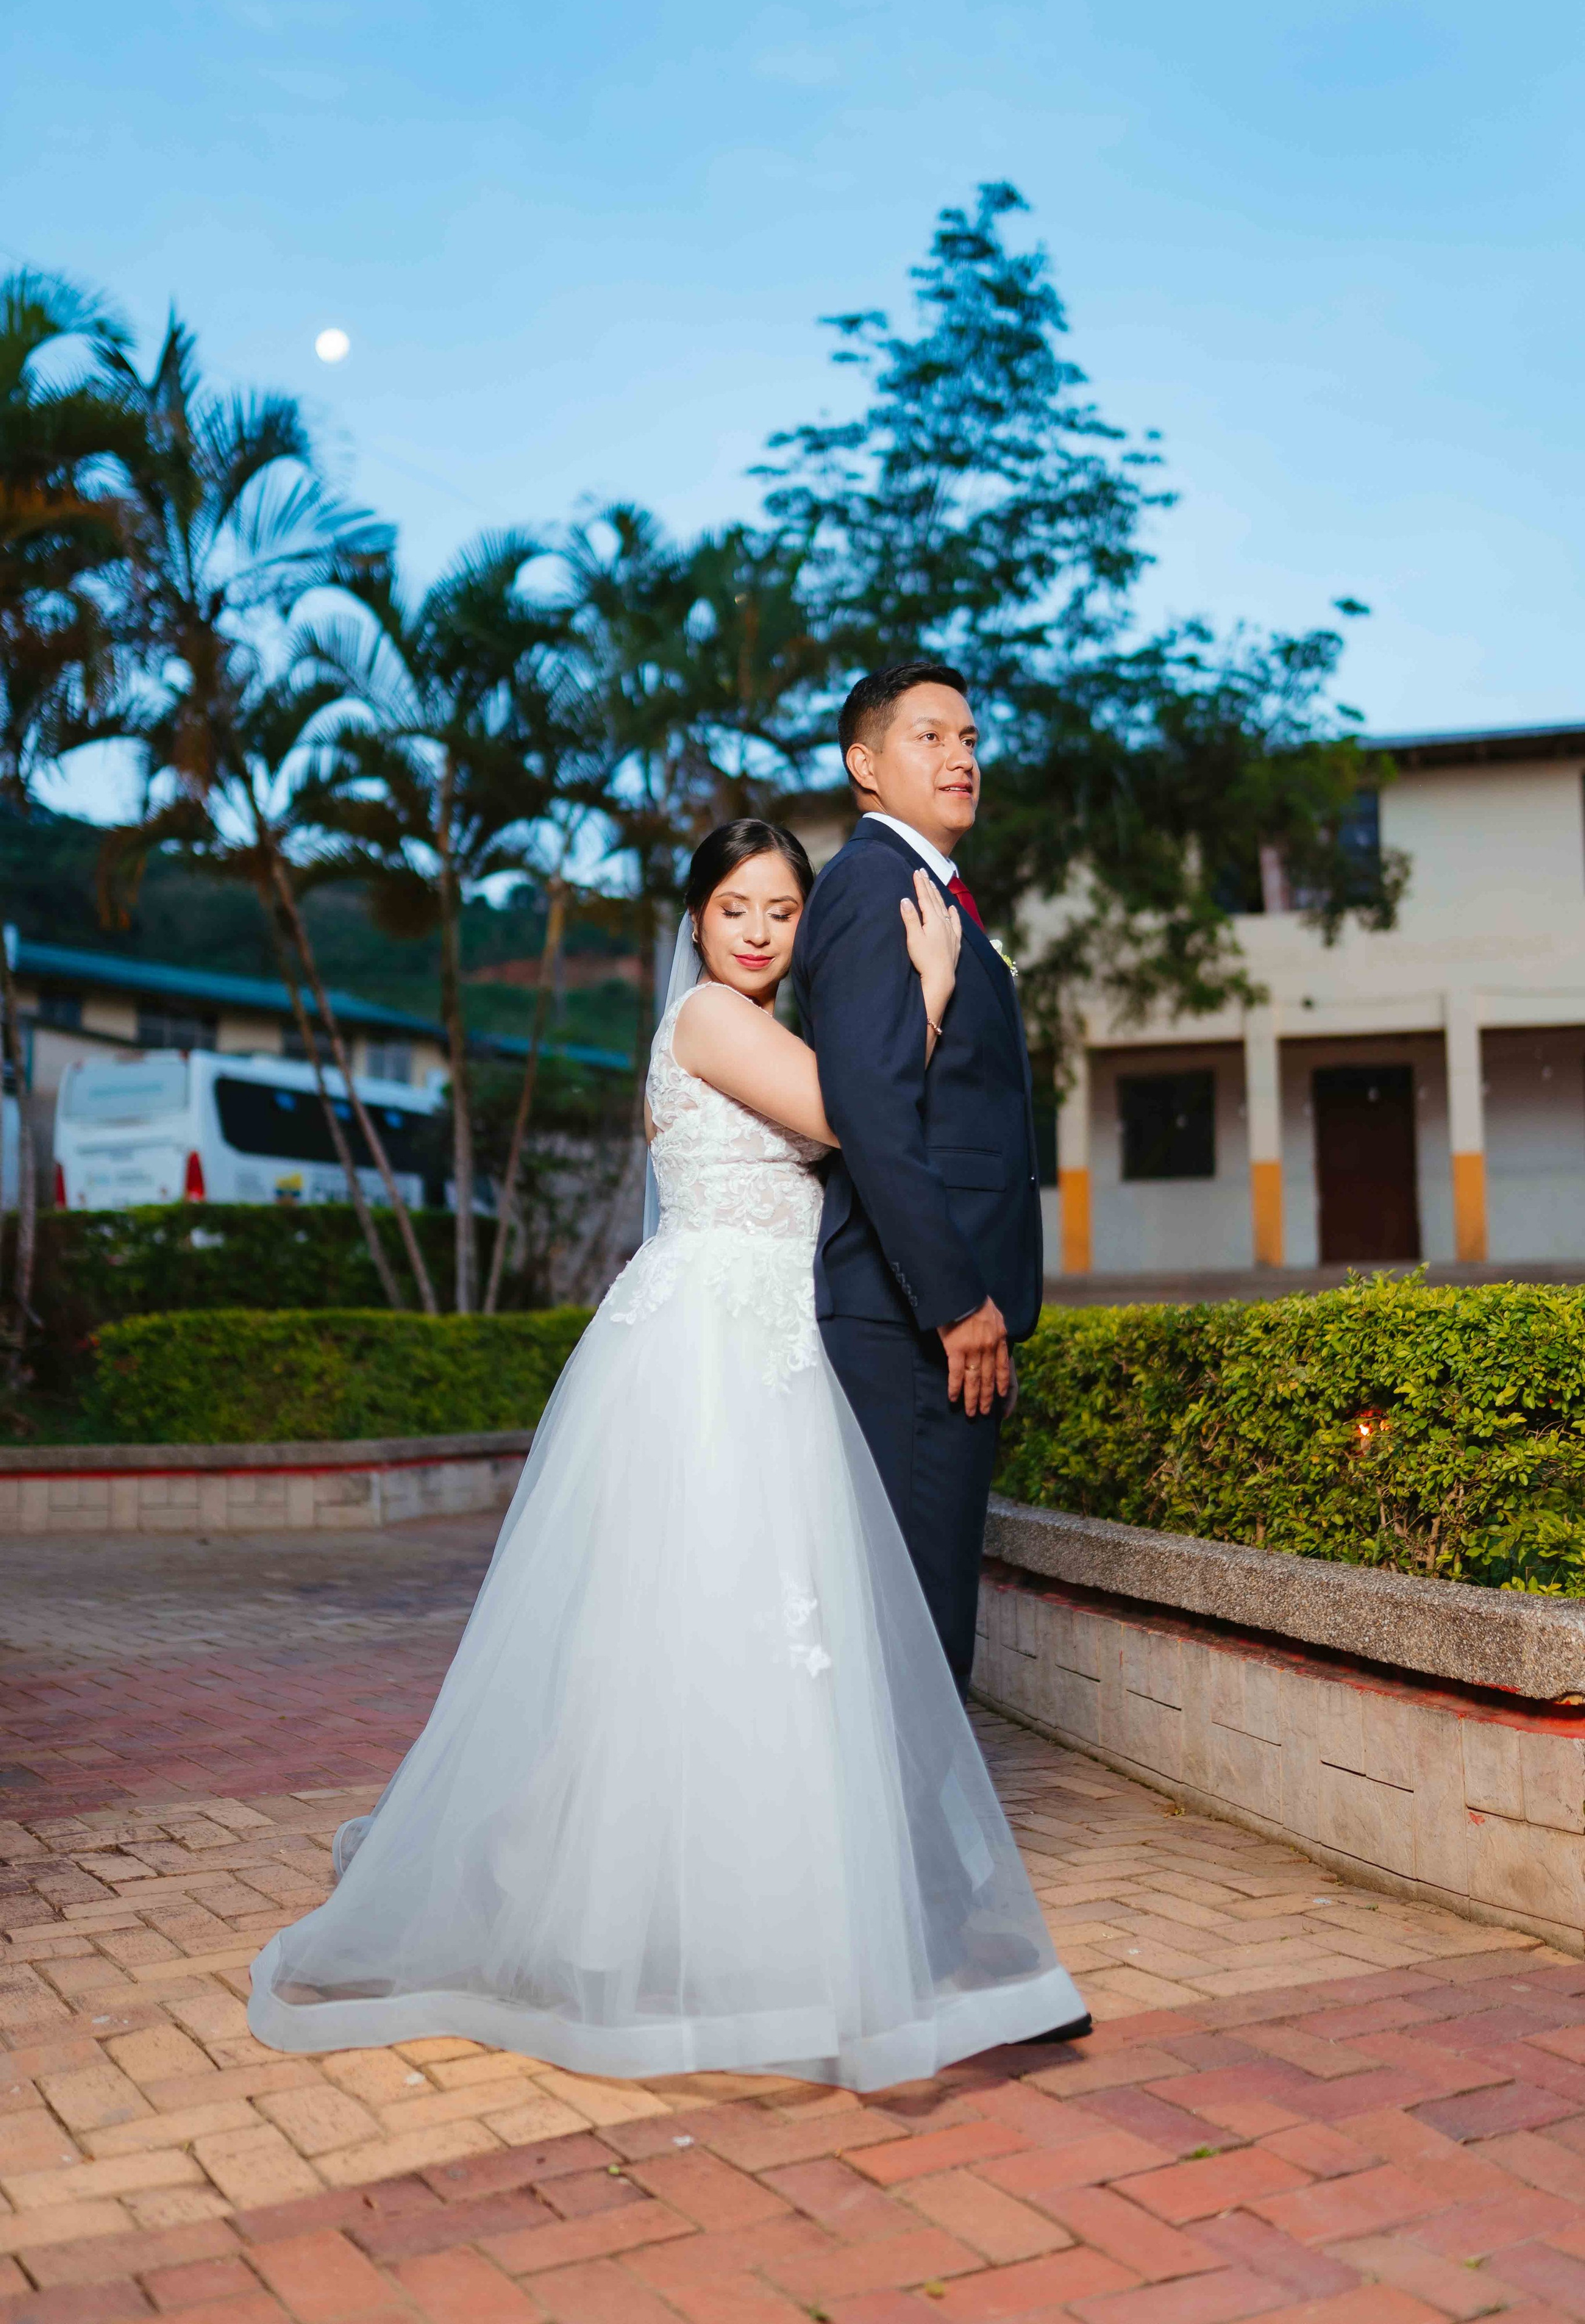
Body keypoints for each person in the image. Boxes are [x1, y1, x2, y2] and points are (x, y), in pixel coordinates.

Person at [248, 818, 1087, 2088]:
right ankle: (662, 1905)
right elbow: (850, 1112)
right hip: (715, 1349)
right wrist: (924, 992)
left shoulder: (747, 1024)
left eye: (780, 913)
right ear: (693, 919)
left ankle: (761, 1894)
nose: (757, 930)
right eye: (734, 906)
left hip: (762, 1338)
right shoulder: (709, 1023)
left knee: (756, 1628)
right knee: (713, 1617)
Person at [793, 662, 1041, 1696]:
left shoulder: (935, 893)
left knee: (930, 1607)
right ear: (865, 763)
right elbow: (875, 1115)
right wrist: (955, 1301)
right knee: (914, 1625)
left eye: (971, 739)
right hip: (914, 1326)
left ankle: (908, 1854)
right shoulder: (866, 887)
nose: (962, 758)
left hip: (936, 1320)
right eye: (930, 738)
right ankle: (903, 1860)